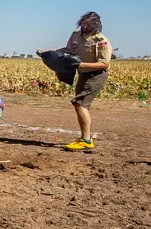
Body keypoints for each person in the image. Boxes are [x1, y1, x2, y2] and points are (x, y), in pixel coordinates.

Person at [37, 11, 111, 151]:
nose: (83, 26)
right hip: (83, 75)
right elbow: (68, 50)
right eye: (83, 22)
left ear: (95, 25)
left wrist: (80, 65)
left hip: (96, 75)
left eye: (87, 24)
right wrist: (49, 53)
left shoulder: (101, 41)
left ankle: (86, 141)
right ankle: (85, 137)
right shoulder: (76, 35)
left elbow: (104, 64)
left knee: (79, 103)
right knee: (81, 105)